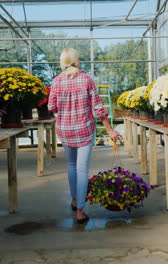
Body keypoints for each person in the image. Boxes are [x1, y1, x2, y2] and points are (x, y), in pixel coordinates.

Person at [48, 48, 121, 224]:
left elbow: (51, 107)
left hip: (65, 130)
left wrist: (65, 108)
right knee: (82, 169)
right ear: (76, 60)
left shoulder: (57, 81)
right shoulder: (86, 79)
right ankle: (80, 210)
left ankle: (74, 200)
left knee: (72, 165)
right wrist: (110, 129)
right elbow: (98, 108)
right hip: (84, 130)